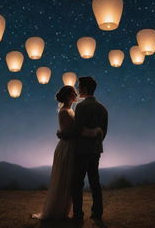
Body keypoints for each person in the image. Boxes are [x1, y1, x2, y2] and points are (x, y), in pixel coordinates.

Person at [31, 85, 102, 220]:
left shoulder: (69, 110)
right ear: (69, 96)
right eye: (73, 93)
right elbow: (76, 131)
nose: (76, 94)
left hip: (71, 146)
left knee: (69, 179)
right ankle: (57, 211)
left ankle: (63, 210)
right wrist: (96, 131)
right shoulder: (64, 112)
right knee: (64, 179)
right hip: (67, 148)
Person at [59, 76, 108, 222]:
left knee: (77, 183)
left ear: (85, 89)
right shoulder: (103, 109)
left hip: (81, 151)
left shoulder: (81, 107)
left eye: (80, 86)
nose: (78, 89)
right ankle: (97, 213)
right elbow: (103, 132)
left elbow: (77, 129)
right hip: (96, 151)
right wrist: (96, 143)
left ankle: (78, 215)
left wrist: (63, 134)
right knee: (95, 182)